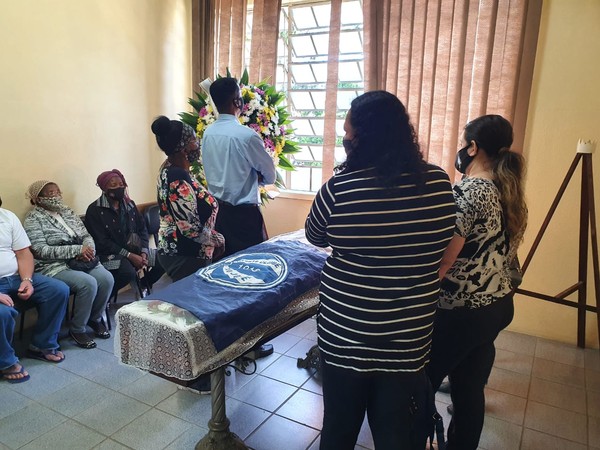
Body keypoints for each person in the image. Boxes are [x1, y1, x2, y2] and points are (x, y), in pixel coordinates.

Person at [305, 91, 456, 450]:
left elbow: (314, 234)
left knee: (338, 430)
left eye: (348, 133)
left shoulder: (339, 189)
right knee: (396, 435)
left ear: (363, 137)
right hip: (407, 341)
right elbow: (442, 237)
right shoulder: (437, 183)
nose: (345, 139)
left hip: (345, 338)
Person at [426, 114, 528, 450]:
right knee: (469, 390)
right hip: (497, 306)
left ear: (473, 147)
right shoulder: (509, 190)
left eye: (463, 144)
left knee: (421, 383)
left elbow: (445, 259)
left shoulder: (469, 190)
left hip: (462, 310)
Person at [23, 181, 114, 349]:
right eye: (51, 193)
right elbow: (40, 250)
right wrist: (76, 250)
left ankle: (94, 319)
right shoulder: (33, 218)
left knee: (106, 278)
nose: (56, 196)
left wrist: (89, 250)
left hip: (82, 260)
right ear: (38, 198)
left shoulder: (67, 211)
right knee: (88, 283)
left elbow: (85, 235)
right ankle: (77, 329)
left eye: (58, 192)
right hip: (54, 265)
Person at [202, 76, 276, 259]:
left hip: (217, 214)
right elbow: (270, 175)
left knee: (223, 266)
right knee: (251, 264)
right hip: (244, 217)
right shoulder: (247, 136)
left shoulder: (208, 133)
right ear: (237, 102)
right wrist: (255, 178)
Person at [1, 197, 70, 382]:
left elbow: (24, 253)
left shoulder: (7, 217)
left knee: (58, 290)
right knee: (2, 313)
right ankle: (5, 362)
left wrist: (27, 280)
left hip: (16, 277)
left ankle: (41, 345)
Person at [151, 116, 225, 282]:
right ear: (183, 148)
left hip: (185, 252)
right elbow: (189, 227)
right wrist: (217, 240)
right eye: (193, 140)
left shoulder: (170, 169)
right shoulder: (177, 177)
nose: (197, 143)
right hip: (186, 254)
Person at [85, 169, 165, 296]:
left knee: (164, 258)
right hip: (109, 254)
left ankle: (144, 284)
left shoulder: (129, 204)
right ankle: (104, 297)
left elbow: (142, 229)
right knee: (127, 272)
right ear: (104, 188)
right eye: (113, 185)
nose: (119, 187)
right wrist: (129, 255)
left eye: (121, 184)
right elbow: (102, 242)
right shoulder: (94, 210)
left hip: (135, 250)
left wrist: (144, 252)